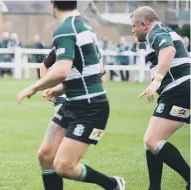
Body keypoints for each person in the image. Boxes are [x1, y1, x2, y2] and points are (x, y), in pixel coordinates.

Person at [17, 1, 125, 190]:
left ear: (52, 4)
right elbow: (95, 71)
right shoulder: (83, 26)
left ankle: (113, 184)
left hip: (90, 108)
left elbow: (62, 70)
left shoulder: (66, 29)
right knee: (46, 155)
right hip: (74, 103)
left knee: (64, 166)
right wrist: (59, 89)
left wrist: (34, 87)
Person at [130, 6, 190, 190]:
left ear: (144, 24)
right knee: (153, 141)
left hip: (179, 88)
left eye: (133, 26)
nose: (132, 30)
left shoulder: (156, 32)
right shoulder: (161, 32)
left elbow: (169, 50)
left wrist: (156, 81)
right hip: (179, 89)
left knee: (152, 139)